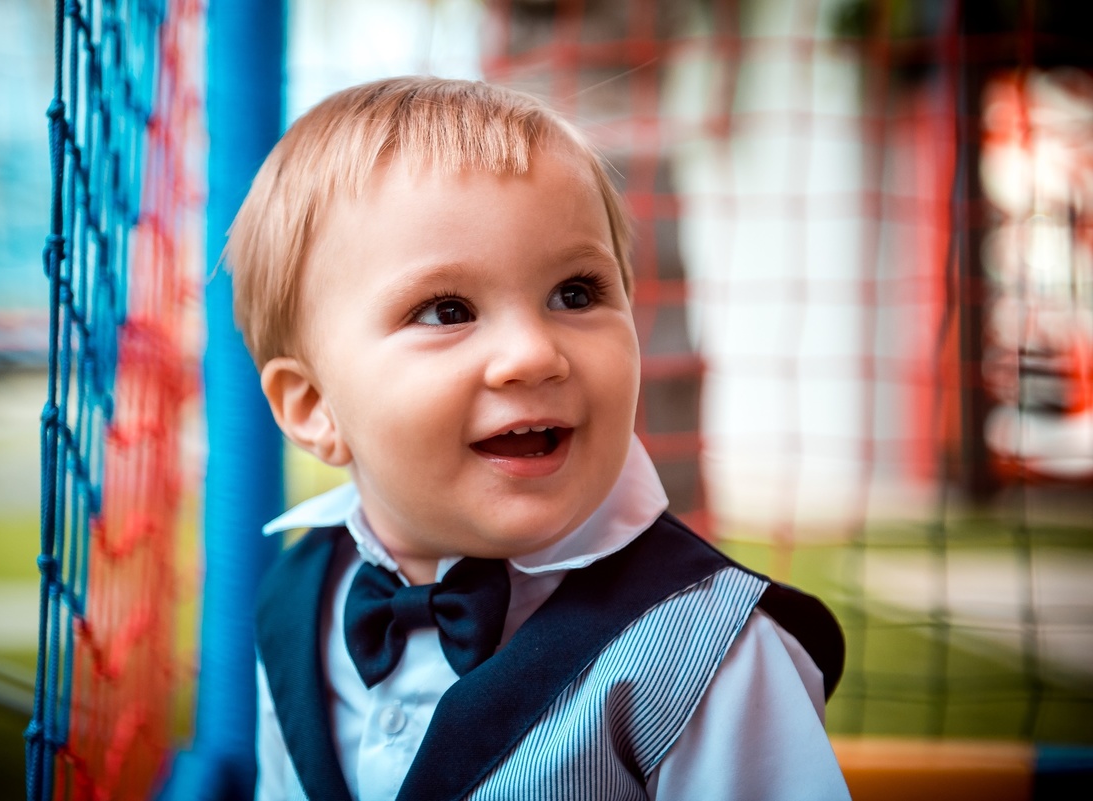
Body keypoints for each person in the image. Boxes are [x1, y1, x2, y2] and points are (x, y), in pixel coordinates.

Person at [226, 76, 851, 801]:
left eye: (576, 293)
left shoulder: (708, 655)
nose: (532, 353)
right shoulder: (297, 603)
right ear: (312, 407)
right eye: (447, 309)